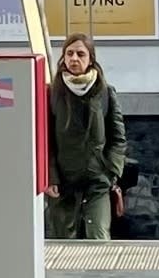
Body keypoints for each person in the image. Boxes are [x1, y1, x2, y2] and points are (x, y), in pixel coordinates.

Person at [45, 30, 127, 240]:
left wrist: (111, 172)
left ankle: (99, 275)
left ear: (91, 59)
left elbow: (118, 137)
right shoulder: (53, 93)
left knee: (98, 238)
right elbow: (47, 141)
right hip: (63, 183)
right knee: (63, 243)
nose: (74, 59)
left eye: (80, 54)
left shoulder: (105, 92)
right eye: (69, 53)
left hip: (97, 180)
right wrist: (51, 176)